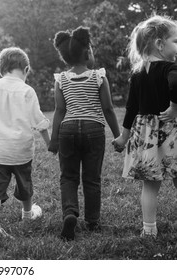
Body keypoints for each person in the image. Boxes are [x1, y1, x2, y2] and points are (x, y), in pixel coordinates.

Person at [48, 26, 120, 241]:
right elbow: (108, 109)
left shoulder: (60, 79)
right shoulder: (99, 77)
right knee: (92, 178)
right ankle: (93, 221)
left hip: (68, 130)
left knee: (68, 177)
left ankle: (70, 213)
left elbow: (60, 110)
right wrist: (118, 136)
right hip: (93, 130)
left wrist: (54, 140)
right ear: (88, 52)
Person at [0, 47, 50, 239]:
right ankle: (27, 215)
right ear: (26, 69)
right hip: (20, 149)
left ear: (2, 69)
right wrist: (50, 144)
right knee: (25, 183)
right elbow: (39, 121)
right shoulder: (27, 90)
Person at [112, 15, 177, 238]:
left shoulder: (138, 74)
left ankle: (149, 229)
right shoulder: (171, 67)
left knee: (149, 186)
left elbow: (131, 108)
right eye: (175, 41)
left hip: (145, 134)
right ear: (160, 44)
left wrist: (123, 137)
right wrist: (174, 107)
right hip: (170, 132)